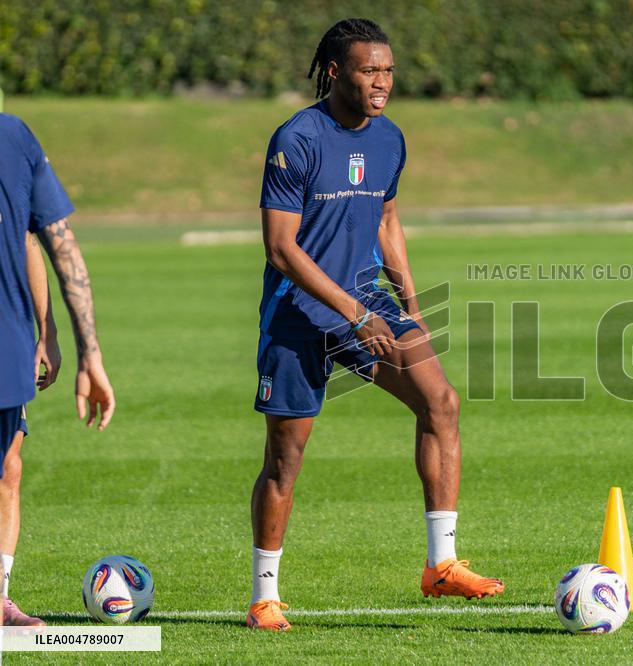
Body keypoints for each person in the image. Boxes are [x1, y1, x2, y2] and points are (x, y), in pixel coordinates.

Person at [247, 18, 504, 631]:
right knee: (286, 457)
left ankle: (440, 565)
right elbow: (280, 249)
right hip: (297, 315)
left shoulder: (390, 140)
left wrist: (408, 303)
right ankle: (264, 596)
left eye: (387, 70)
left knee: (441, 403)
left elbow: (387, 219)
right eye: (369, 70)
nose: (382, 81)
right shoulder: (296, 139)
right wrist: (353, 312)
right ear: (335, 71)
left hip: (368, 304)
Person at [0, 113, 116, 626]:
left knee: (8, 468)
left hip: (5, 343)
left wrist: (55, 334)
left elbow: (44, 239)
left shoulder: (12, 138)